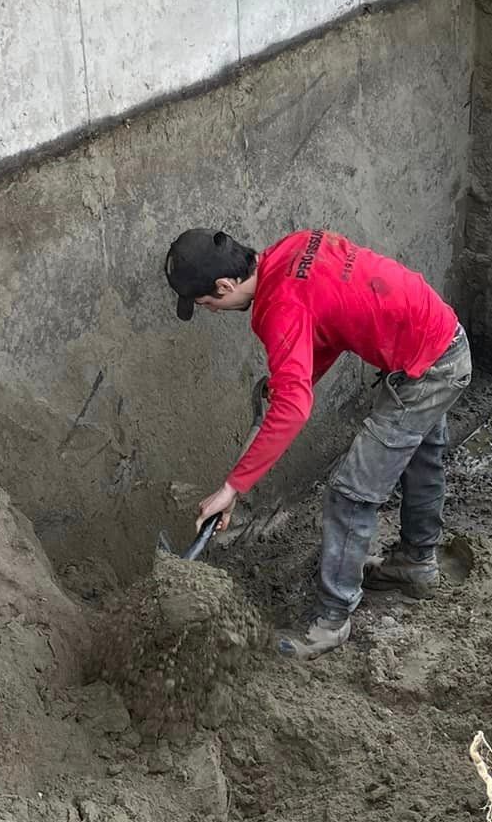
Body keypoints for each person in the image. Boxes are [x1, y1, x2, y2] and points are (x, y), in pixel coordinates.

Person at [164, 226, 471, 656]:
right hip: (436, 337)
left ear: (225, 285)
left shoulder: (278, 309)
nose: (211, 310)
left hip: (429, 368)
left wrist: (233, 488)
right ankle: (416, 565)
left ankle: (331, 622)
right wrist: (295, 376)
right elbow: (329, 323)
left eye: (207, 303)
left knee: (350, 494)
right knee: (421, 457)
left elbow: (293, 409)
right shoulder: (293, 248)